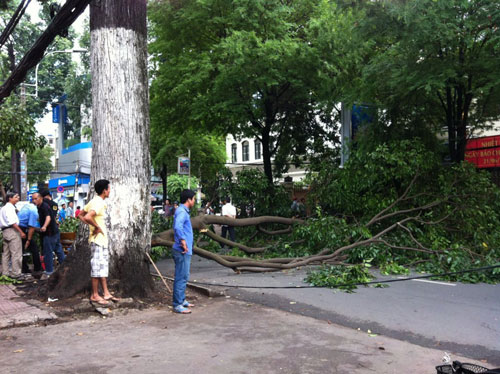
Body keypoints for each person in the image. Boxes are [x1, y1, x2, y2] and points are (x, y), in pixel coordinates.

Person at [78, 179, 120, 305]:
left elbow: (80, 215)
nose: (110, 190)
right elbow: (86, 216)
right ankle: (95, 295)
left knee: (102, 268)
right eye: (109, 188)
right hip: (98, 241)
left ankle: (106, 293)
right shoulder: (98, 203)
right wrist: (96, 227)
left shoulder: (94, 201)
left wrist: (93, 226)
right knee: (97, 268)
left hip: (101, 240)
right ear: (104, 190)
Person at [172, 189, 196, 314]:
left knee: (184, 276)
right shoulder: (182, 211)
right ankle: (177, 304)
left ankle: (182, 300)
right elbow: (177, 227)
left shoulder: (183, 211)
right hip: (182, 250)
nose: (195, 201)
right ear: (189, 199)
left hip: (184, 250)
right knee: (181, 277)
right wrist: (183, 241)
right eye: (194, 198)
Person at [32, 193, 65, 279]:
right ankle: (65, 268)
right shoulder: (40, 207)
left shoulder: (44, 206)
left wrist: (44, 226)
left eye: (35, 199)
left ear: (40, 198)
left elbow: (48, 218)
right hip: (54, 231)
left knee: (48, 252)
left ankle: (49, 271)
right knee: (59, 250)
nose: (34, 201)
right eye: (33, 199)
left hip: (50, 233)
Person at [0, 192, 26, 278]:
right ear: (10, 198)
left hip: (5, 231)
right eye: (16, 197)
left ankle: (5, 273)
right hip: (12, 231)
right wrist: (21, 232)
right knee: (16, 253)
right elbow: (12, 222)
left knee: (6, 254)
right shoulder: (10, 208)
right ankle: (16, 274)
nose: (18, 198)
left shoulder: (3, 208)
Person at [18, 201, 42, 275]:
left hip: (19, 228)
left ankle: (24, 268)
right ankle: (37, 268)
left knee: (21, 249)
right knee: (34, 248)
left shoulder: (26, 206)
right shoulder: (33, 210)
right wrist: (28, 239)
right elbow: (31, 227)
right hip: (23, 229)